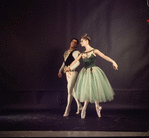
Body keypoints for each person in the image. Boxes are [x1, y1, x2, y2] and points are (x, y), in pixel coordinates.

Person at [64, 34, 118, 119]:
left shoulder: (94, 51)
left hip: (94, 71)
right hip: (85, 73)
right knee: (88, 89)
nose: (81, 43)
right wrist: (68, 67)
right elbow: (75, 61)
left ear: (86, 41)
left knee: (94, 88)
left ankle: (92, 107)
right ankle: (90, 107)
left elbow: (104, 56)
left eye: (82, 41)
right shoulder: (82, 53)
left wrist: (113, 62)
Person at [58, 38, 82, 117]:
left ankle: (68, 108)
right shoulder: (65, 52)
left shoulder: (76, 52)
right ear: (70, 42)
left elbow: (78, 62)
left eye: (75, 42)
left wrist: (70, 68)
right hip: (66, 73)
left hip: (73, 73)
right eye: (72, 41)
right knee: (73, 90)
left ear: (77, 45)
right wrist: (60, 70)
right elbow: (64, 62)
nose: (73, 43)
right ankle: (79, 105)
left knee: (69, 90)